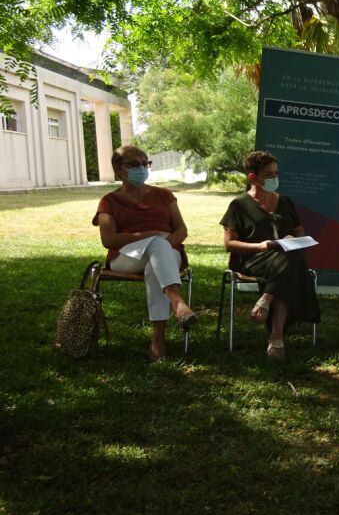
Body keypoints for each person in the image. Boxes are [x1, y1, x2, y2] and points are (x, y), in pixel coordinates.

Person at [92, 145, 196, 359]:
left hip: (167, 252)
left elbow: (181, 230)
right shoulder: (109, 201)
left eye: (145, 163)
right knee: (156, 242)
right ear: (118, 169)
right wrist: (145, 235)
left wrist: (166, 242)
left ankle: (158, 340)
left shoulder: (164, 195)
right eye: (133, 164)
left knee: (154, 263)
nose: (141, 168)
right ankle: (177, 302)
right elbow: (108, 239)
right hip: (125, 257)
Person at [221, 151, 321, 360]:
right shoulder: (238, 205)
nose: (275, 178)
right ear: (253, 177)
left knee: (290, 256)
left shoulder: (285, 201)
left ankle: (267, 303)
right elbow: (229, 244)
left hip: (283, 261)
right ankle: (276, 337)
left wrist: (291, 238)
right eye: (269, 174)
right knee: (292, 262)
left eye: (276, 173)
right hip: (254, 260)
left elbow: (299, 231)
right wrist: (260, 246)